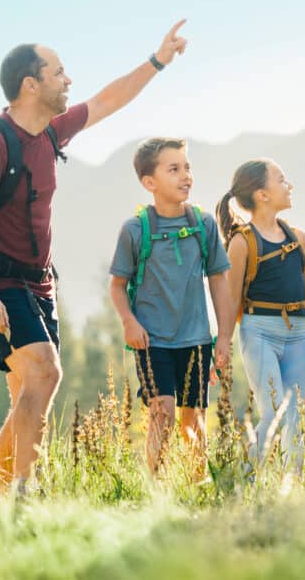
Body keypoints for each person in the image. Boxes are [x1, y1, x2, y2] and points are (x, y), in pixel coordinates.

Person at [0, 20, 188, 492]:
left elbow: (106, 100)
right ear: (30, 85)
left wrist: (158, 61)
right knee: (46, 370)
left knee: (28, 390)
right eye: (59, 72)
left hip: (39, 282)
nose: (69, 80)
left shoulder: (50, 133)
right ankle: (24, 490)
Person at [109, 137, 234, 477]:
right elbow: (117, 286)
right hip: (152, 341)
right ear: (149, 182)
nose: (185, 176)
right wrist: (129, 323)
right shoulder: (135, 230)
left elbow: (219, 283)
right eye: (174, 169)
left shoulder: (202, 225)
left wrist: (223, 337)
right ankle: (156, 488)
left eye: (187, 168)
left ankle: (196, 486)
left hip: (196, 339)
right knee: (161, 413)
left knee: (193, 419)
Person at [214, 159, 305, 472]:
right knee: (276, 412)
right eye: (282, 179)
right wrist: (222, 341)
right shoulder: (241, 241)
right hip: (258, 331)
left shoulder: (297, 237)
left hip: (297, 333)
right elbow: (231, 299)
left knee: (294, 414)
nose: (289, 185)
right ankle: (242, 478)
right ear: (262, 194)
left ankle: (294, 485)